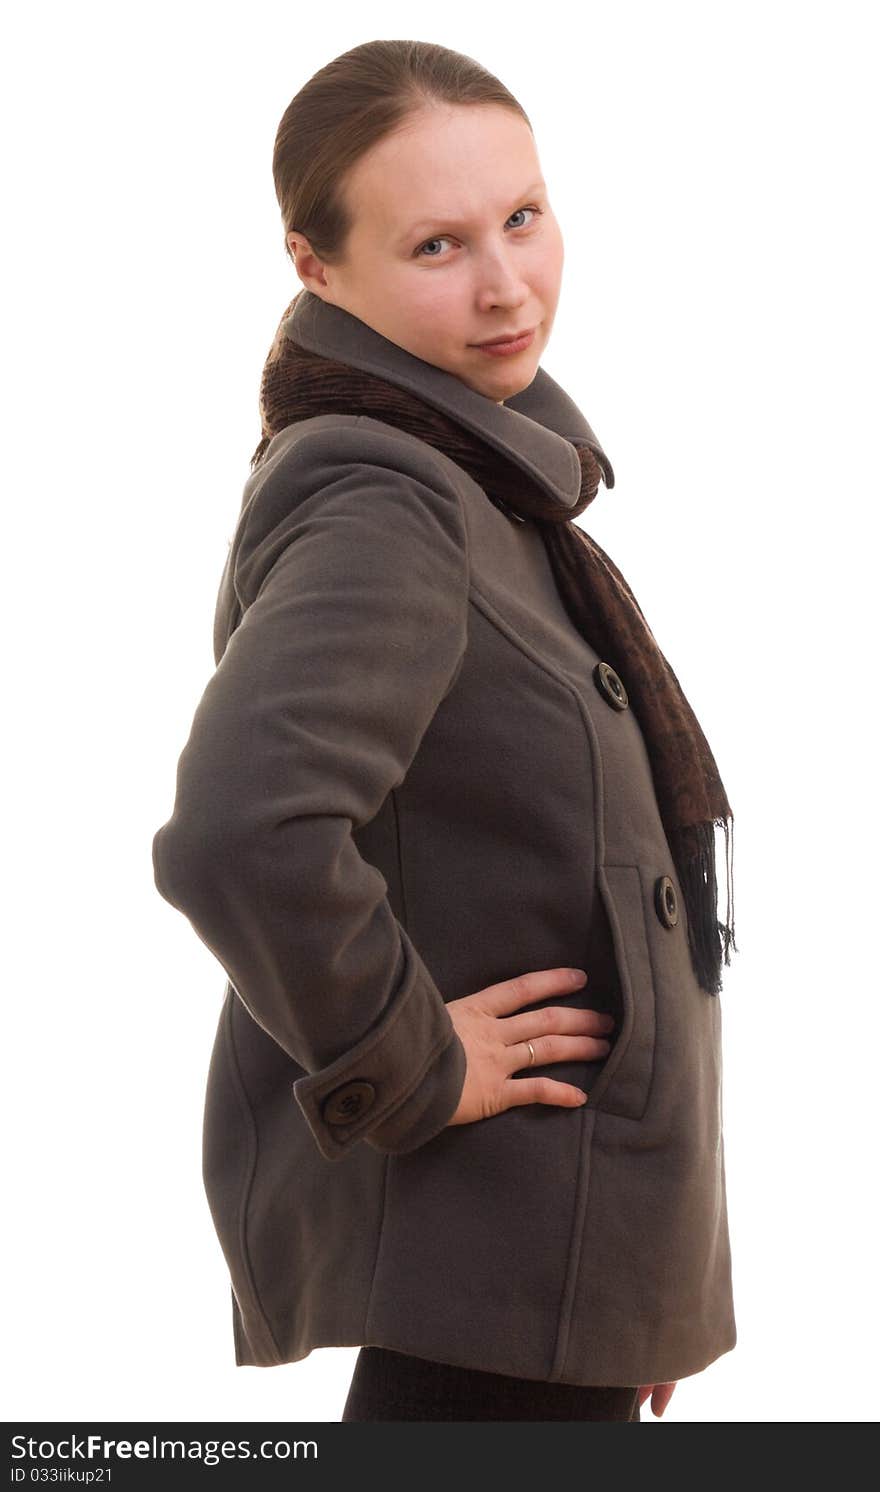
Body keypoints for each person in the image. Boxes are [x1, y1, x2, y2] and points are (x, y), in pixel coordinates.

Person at [152, 39, 738, 1423]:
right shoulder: (384, 494)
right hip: (487, 1267)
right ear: (316, 266)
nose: (506, 285)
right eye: (434, 244)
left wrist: (628, 1277)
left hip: (548, 1276)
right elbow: (245, 829)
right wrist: (412, 1059)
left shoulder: (481, 470)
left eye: (522, 218)